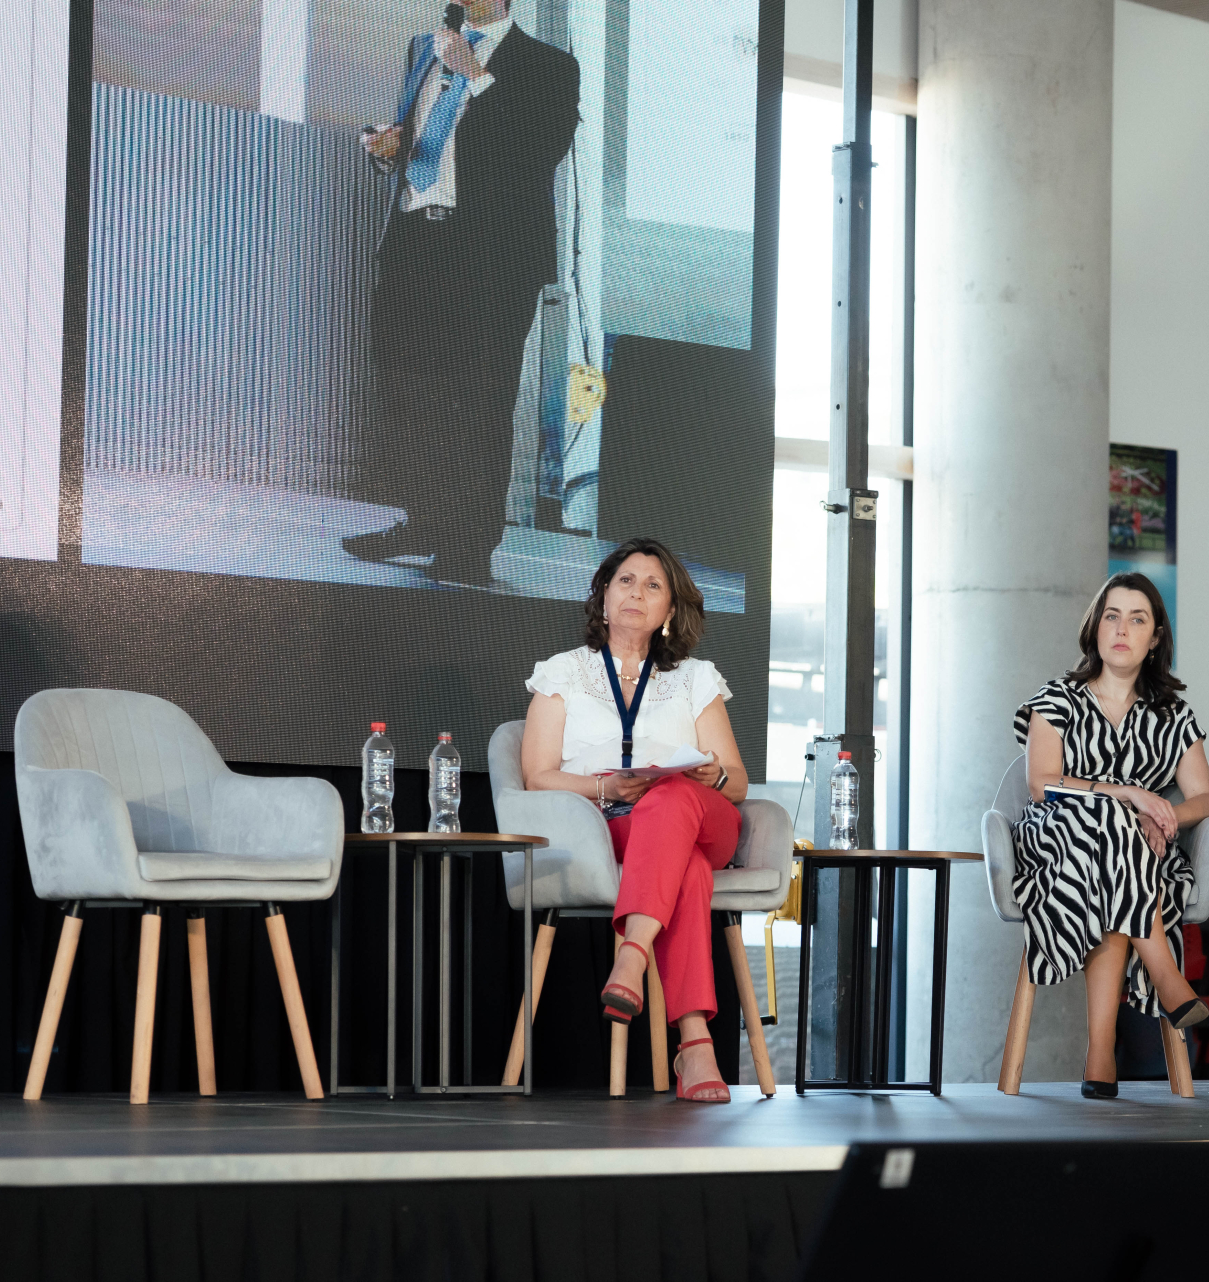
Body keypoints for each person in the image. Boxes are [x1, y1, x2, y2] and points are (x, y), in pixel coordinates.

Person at [343, 0, 581, 585]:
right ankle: (422, 522)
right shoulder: (423, 48)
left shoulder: (549, 63)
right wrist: (390, 147)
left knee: (478, 399)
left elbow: (542, 148)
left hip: (492, 259)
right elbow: (429, 137)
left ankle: (469, 546)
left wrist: (476, 75)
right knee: (410, 392)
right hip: (413, 241)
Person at [518, 537, 749, 1102]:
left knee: (672, 799)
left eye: (652, 586)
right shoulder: (563, 674)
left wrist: (712, 774)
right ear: (603, 594)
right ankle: (695, 1044)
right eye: (625, 581)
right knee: (686, 870)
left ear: (670, 608)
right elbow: (537, 776)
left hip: (702, 817)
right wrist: (606, 787)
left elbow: (738, 783)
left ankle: (631, 953)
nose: (636, 594)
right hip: (612, 827)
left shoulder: (695, 677)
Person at [1013, 572, 1209, 1099]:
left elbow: (1206, 799)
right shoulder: (1057, 698)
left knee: (1116, 852)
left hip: (1138, 858)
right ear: (1096, 628)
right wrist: (1129, 795)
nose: (1122, 629)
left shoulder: (1173, 715)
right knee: (1108, 821)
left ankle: (1100, 1054)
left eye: (1137, 619)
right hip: (1058, 844)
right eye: (1112, 616)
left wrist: (1163, 814)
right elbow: (1042, 784)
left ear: (1155, 638)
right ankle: (1166, 976)